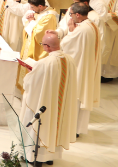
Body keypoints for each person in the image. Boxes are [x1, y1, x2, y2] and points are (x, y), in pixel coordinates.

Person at [19, 30, 78, 164]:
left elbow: (30, 84)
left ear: (47, 46)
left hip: (45, 103)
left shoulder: (45, 63)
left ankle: (37, 158)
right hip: (61, 104)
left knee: (42, 125)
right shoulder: (70, 60)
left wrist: (30, 73)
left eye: (42, 44)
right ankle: (50, 157)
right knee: (56, 125)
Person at [59, 3, 101, 137]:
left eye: (70, 14)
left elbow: (66, 45)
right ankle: (76, 129)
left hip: (80, 69)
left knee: (75, 97)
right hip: (87, 66)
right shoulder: (92, 25)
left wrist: (71, 31)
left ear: (77, 15)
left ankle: (72, 130)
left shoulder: (81, 30)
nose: (70, 17)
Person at [17, 0, 58, 92]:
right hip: (29, 43)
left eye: (32, 7)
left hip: (38, 48)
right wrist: (29, 20)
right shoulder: (39, 12)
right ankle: (23, 88)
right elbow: (28, 25)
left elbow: (39, 33)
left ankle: (31, 90)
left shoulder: (49, 16)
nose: (31, 9)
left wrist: (31, 21)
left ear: (40, 6)